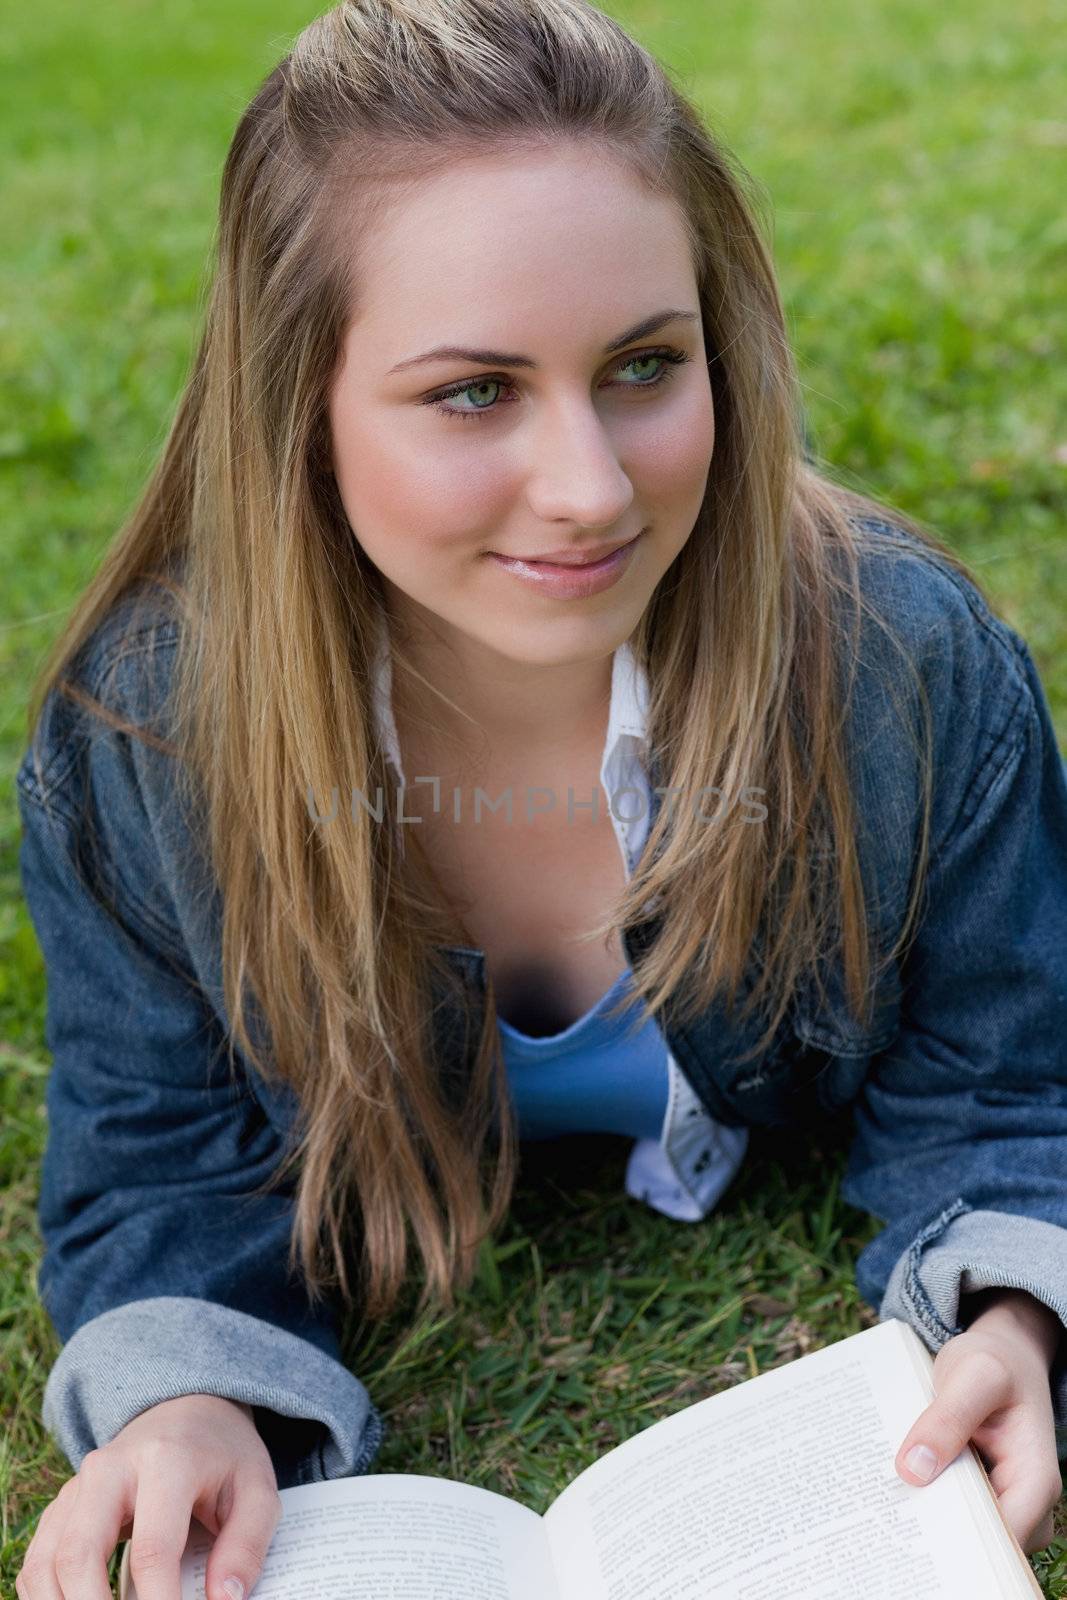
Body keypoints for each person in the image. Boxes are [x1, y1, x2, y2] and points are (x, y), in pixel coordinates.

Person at [14, 0, 1067, 1596]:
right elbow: (154, 1151)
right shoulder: (142, 739)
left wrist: (1015, 1309)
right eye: (473, 392)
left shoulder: (903, 673)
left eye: (645, 366)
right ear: (299, 408)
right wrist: (189, 1393)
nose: (588, 485)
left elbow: (1006, 1079)